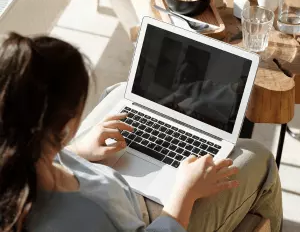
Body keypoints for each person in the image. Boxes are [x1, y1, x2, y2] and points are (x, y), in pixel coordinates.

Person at [0, 33, 282, 232]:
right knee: (259, 156)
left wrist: (76, 153)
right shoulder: (88, 214)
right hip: (155, 218)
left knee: (119, 92)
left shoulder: (16, 157)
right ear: (64, 126)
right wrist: (184, 193)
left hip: (117, 192)